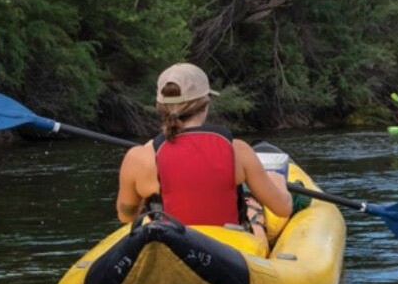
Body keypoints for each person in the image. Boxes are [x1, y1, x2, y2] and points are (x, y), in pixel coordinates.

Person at [116, 63, 292, 249]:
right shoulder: (238, 150)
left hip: (169, 250)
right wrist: (277, 181)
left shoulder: (137, 158)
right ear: (205, 103)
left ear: (160, 106)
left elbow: (126, 216)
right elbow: (283, 209)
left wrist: (146, 193)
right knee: (256, 219)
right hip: (230, 253)